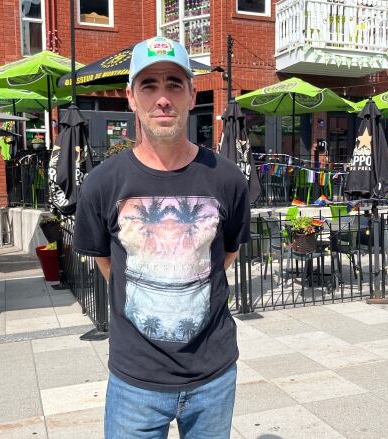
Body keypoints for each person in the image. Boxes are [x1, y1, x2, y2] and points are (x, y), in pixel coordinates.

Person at [74, 36, 251, 439]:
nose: (163, 98)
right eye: (149, 85)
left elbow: (226, 254)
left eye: (174, 83)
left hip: (213, 375)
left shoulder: (227, 179)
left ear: (192, 94)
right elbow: (106, 261)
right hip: (135, 379)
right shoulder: (103, 183)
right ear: (131, 98)